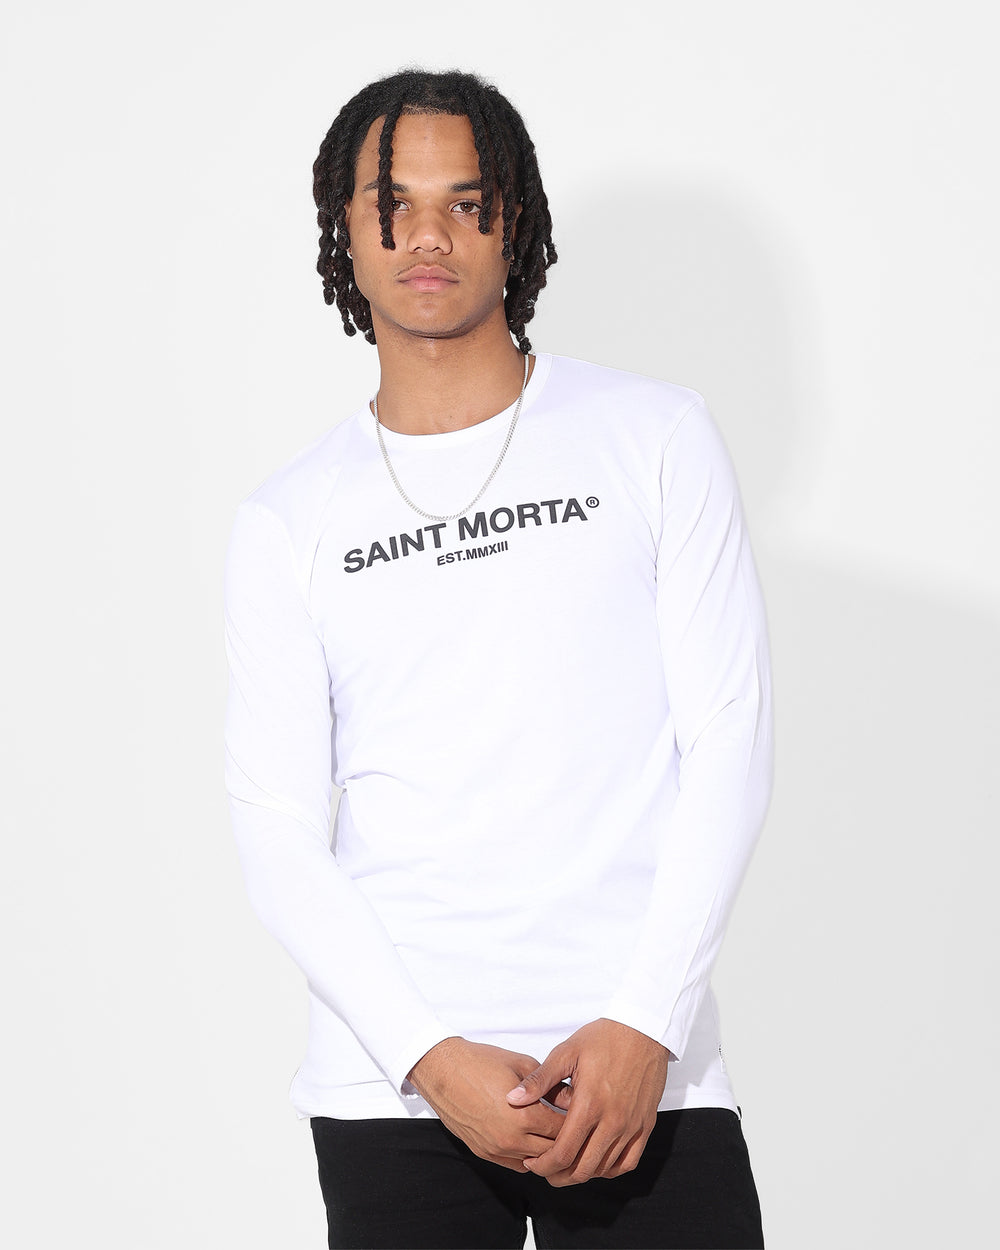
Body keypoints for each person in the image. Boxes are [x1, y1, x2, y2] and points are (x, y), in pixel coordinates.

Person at [224, 67, 773, 1250]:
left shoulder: (653, 436)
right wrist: (428, 1057)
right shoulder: (288, 518)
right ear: (344, 229)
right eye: (393, 205)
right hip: (396, 1085)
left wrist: (646, 1021)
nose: (428, 235)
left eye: (466, 204)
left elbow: (729, 737)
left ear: (511, 223)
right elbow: (275, 826)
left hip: (640, 1067)